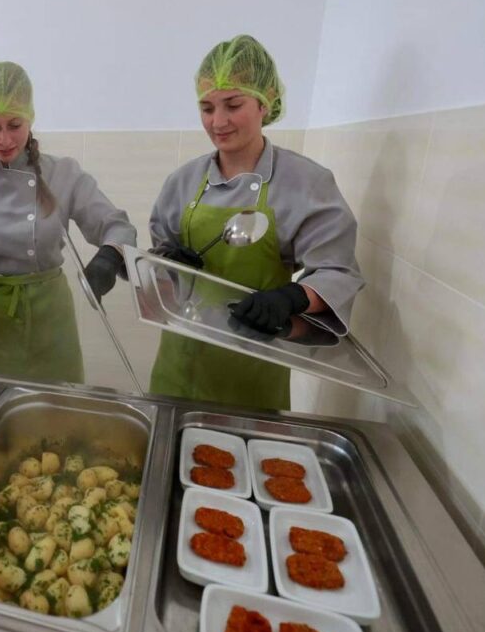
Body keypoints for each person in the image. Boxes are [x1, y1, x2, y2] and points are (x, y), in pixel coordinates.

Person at [149, 35, 364, 409]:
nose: (218, 122)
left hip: (252, 366)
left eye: (233, 104)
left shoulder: (305, 182)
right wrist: (167, 261)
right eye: (207, 108)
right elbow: (155, 261)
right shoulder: (182, 181)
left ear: (266, 102)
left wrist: (290, 298)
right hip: (178, 360)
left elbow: (337, 271)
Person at [0, 61, 137, 383]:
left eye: (14, 124)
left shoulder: (63, 173)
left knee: (61, 403)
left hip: (52, 317)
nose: (4, 139)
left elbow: (117, 225)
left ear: (30, 118)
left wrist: (109, 257)